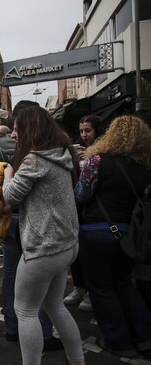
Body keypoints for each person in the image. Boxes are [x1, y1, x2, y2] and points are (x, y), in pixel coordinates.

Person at [2, 106, 85, 365]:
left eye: (17, 129)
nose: (14, 134)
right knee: (55, 306)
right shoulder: (61, 154)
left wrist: (6, 174)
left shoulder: (34, 160)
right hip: (66, 245)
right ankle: (77, 359)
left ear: (29, 130)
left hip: (43, 247)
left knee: (25, 310)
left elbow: (11, 196)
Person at [0, 101, 63, 351]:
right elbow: (16, 192)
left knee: (11, 275)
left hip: (8, 219)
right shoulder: (35, 152)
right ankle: (43, 335)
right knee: (39, 288)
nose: (14, 133)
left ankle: (11, 327)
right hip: (29, 221)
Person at [74, 115, 151, 358]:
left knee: (101, 288)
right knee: (124, 284)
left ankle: (119, 342)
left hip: (97, 232)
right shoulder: (144, 168)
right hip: (129, 235)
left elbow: (81, 194)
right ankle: (145, 336)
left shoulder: (98, 160)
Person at [64, 114, 104, 311]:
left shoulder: (102, 152)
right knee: (77, 250)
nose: (84, 134)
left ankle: (89, 291)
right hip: (77, 209)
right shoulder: (76, 150)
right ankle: (79, 287)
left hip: (95, 209)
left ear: (97, 130)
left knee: (90, 254)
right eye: (81, 131)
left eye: (87, 130)